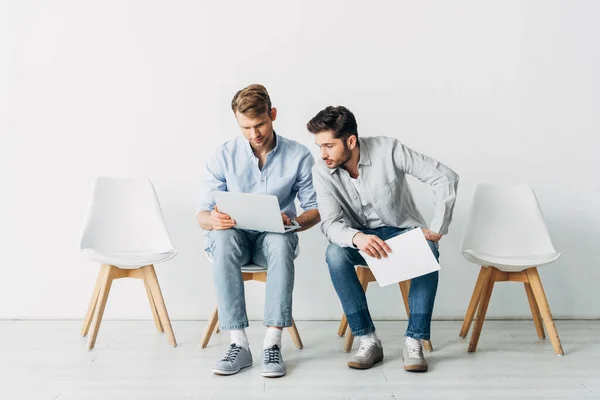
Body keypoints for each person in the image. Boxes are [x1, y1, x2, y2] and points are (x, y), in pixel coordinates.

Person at [307, 105, 459, 372]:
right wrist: (356, 238)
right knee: (334, 254)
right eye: (319, 146)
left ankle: (414, 340)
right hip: (362, 240)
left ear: (350, 140)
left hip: (401, 232)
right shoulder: (321, 170)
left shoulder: (388, 150)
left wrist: (437, 228)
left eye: (329, 146)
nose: (323, 154)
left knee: (428, 248)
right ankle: (367, 340)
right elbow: (329, 223)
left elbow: (445, 177)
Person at [197, 84, 320, 377]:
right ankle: (238, 345)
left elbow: (316, 209)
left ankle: (272, 343)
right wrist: (213, 220)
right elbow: (201, 214)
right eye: (246, 127)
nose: (255, 134)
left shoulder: (299, 155)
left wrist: (292, 222)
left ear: (272, 114)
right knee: (222, 237)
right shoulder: (222, 155)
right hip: (234, 238)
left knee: (279, 240)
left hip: (273, 239)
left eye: (260, 124)